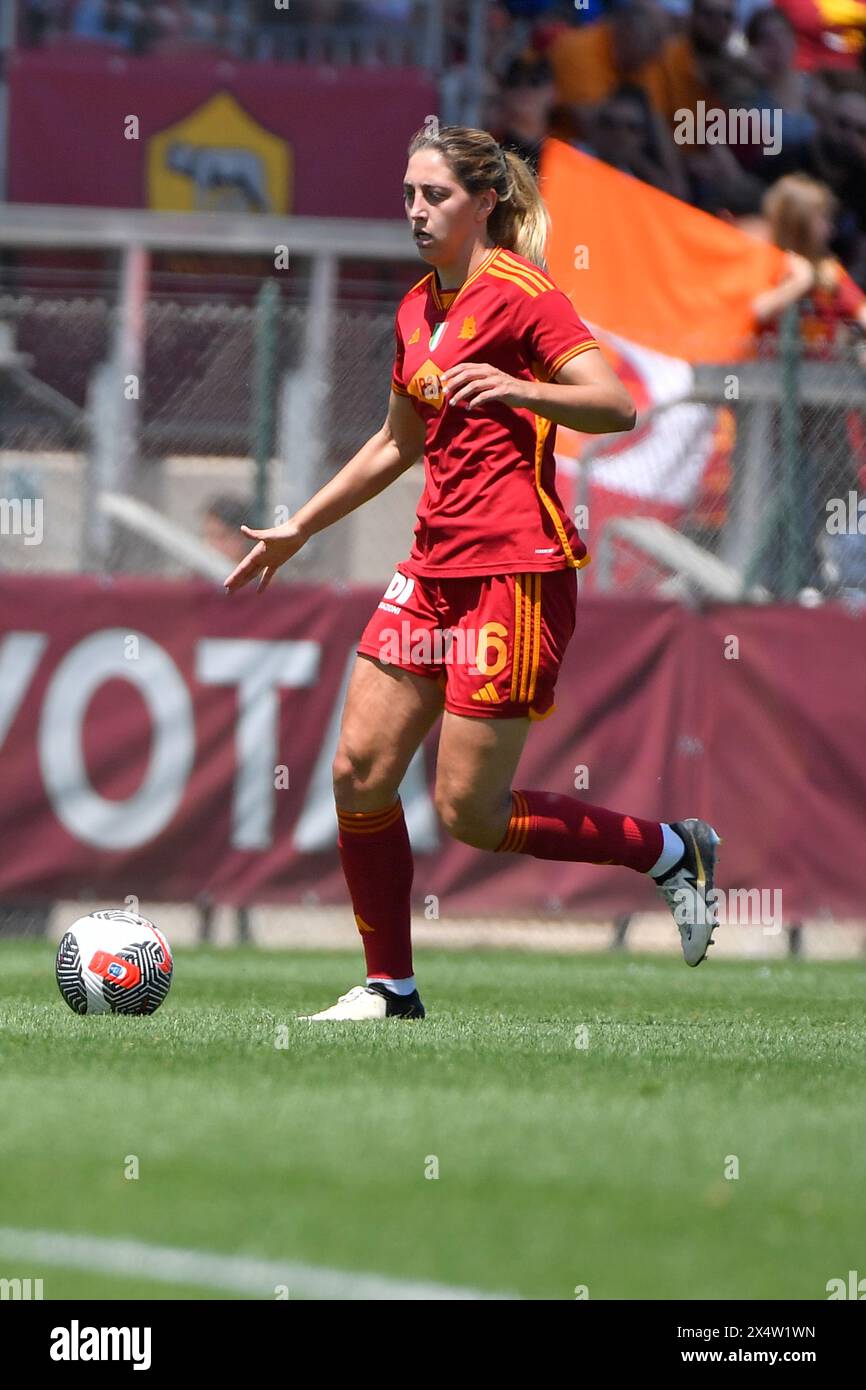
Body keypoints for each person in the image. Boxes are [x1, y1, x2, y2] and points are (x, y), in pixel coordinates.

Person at [225, 124, 722, 1021]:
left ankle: (669, 851)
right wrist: (299, 526)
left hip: (516, 573)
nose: (417, 211)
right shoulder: (418, 307)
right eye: (409, 194)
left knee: (469, 814)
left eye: (437, 196)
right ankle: (390, 988)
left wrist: (524, 389)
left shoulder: (525, 295)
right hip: (432, 568)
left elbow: (615, 404)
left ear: (485, 201)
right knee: (358, 772)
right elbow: (394, 442)